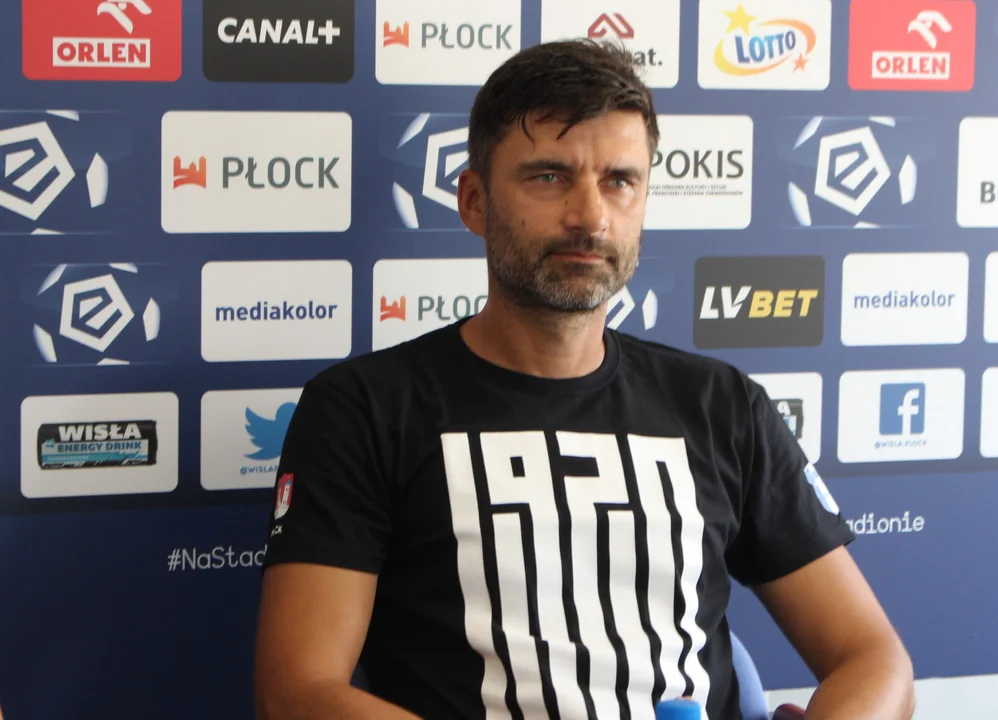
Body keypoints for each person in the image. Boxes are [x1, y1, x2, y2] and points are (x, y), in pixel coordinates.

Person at [253, 39, 915, 720]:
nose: (590, 216)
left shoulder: (721, 404)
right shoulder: (363, 409)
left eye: (619, 181)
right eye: (549, 176)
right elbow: (298, 693)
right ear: (474, 201)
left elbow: (873, 658)